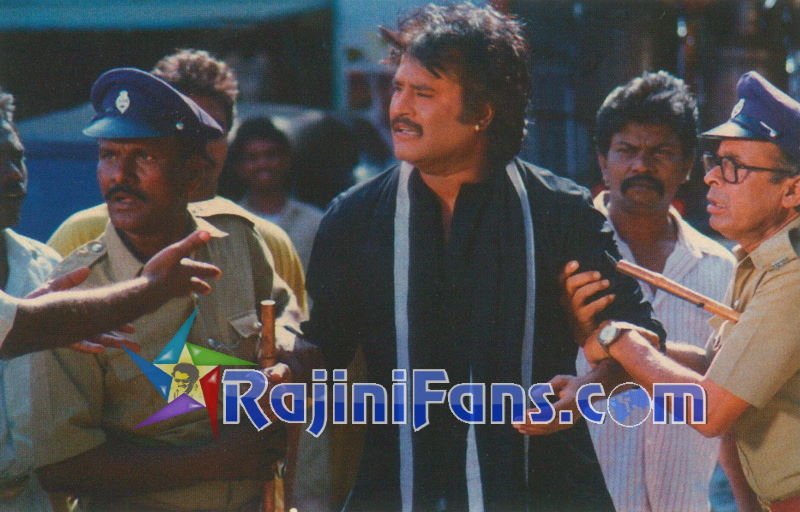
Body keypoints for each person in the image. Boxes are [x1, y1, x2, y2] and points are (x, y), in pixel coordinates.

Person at [301, 4, 665, 511]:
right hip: (400, 492)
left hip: (541, 490)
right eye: (398, 87)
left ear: (482, 112)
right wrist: (276, 358)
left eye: (423, 93)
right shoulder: (355, 216)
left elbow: (640, 338)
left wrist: (589, 388)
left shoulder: (558, 210)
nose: (399, 107)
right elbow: (325, 351)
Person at [32, 68, 300, 512]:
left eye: (144, 157)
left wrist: (286, 352)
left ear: (192, 173)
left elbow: (284, 315)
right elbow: (59, 466)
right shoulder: (76, 288)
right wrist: (213, 461)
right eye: (109, 155)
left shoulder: (237, 242)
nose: (120, 176)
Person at [570, 70, 800, 511]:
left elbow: (716, 409)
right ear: (602, 160)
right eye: (718, 163)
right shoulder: (566, 254)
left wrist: (619, 337)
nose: (714, 179)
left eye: (735, 167)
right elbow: (721, 374)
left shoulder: (763, 271)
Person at [518, 71, 736, 511]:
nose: (642, 166)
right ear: (603, 161)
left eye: (661, 152)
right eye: (627, 150)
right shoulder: (560, 258)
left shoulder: (722, 269)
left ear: (688, 166)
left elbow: (728, 398)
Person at [0, 86, 222, 511]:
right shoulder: (77, 275)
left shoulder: (48, 270)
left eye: (17, 157)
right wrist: (151, 288)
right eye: (109, 155)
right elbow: (25, 326)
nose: (13, 175)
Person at [47, 49, 307, 311]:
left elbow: (289, 328)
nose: (198, 147)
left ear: (229, 136)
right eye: (184, 134)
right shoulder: (83, 234)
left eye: (211, 132)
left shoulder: (261, 240)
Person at [225, 117, 323, 269]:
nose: (262, 164)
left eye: (270, 155)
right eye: (252, 158)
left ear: (286, 160)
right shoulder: (229, 224)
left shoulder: (314, 222)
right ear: (239, 167)